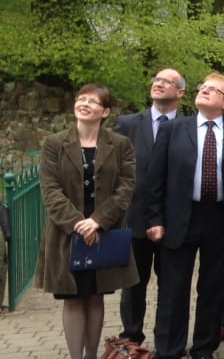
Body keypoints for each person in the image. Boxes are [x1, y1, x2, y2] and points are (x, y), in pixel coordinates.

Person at [145, 73, 224, 359]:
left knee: (213, 289)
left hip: (220, 219)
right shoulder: (175, 129)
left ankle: (204, 347)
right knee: (173, 290)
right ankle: (169, 349)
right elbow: (156, 179)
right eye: (203, 87)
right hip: (180, 217)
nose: (204, 91)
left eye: (213, 90)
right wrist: (154, 219)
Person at [37, 84, 139, 359]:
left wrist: (97, 221)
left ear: (105, 111)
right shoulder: (54, 143)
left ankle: (92, 355)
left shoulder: (120, 145)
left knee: (95, 296)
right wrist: (77, 224)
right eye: (80, 99)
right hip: (65, 235)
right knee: (72, 298)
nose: (83, 104)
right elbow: (50, 189)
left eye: (92, 101)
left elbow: (126, 188)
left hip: (105, 232)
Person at [116, 69, 185, 345]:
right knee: (133, 285)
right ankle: (131, 339)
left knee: (171, 287)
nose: (159, 84)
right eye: (156, 80)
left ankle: (166, 342)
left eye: (167, 82)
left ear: (180, 92)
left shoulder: (187, 126)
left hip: (174, 220)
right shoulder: (129, 123)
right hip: (135, 218)